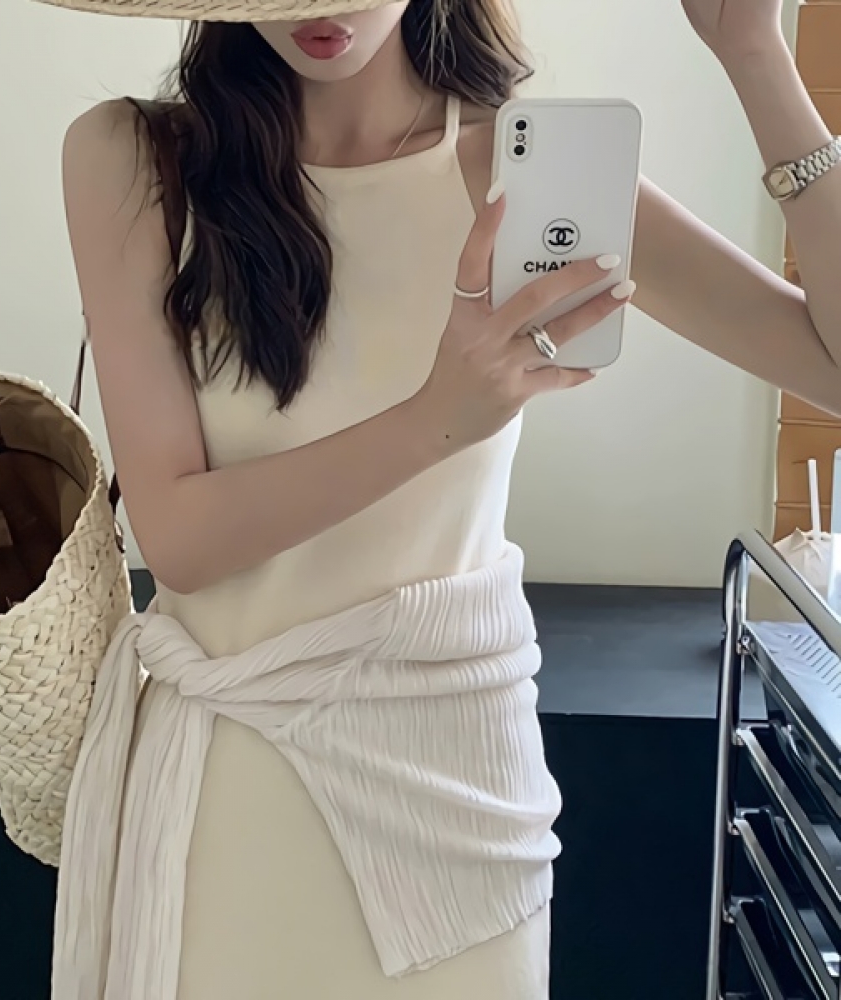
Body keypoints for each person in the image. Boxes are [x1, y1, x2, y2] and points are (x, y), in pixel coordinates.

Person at [51, 0, 841, 996]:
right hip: (234, 792)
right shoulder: (138, 161)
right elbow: (178, 538)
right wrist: (439, 417)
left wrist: (755, 53)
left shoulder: (526, 174)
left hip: (458, 794)